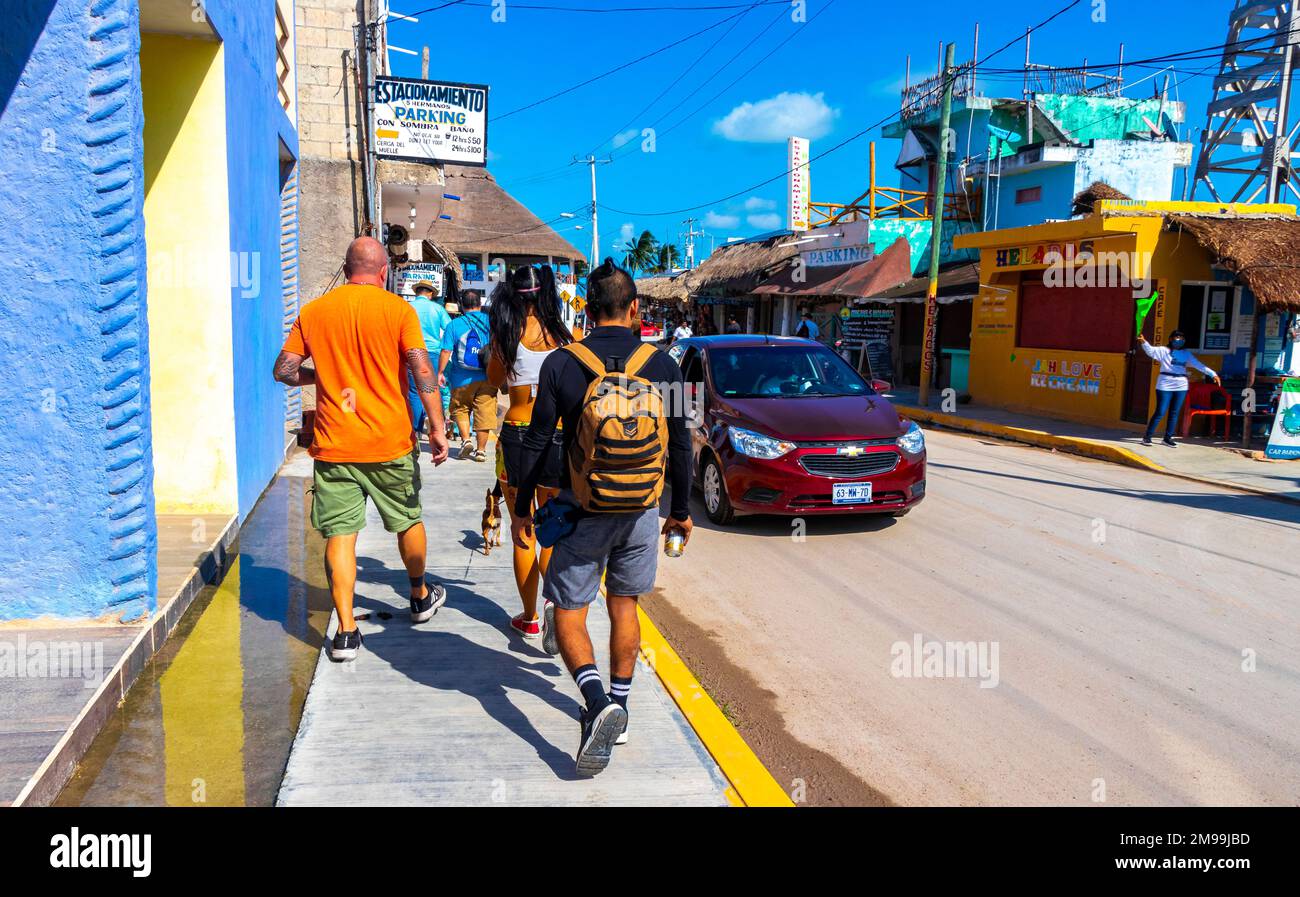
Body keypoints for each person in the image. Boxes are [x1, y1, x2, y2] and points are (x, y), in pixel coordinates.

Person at [511, 258, 693, 777]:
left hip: (584, 508)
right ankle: (622, 706)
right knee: (625, 605)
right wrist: (678, 511)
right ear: (635, 309)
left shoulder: (561, 364)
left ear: (588, 312)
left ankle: (594, 703)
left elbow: (538, 439)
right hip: (640, 510)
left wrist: (524, 506)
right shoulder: (665, 367)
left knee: (568, 609)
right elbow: (679, 442)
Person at [275, 238, 450, 662]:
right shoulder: (398, 311)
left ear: (345, 266)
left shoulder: (315, 312)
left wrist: (323, 379)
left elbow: (284, 370)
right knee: (407, 521)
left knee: (340, 536)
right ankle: (419, 595)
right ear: (385, 270)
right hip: (390, 443)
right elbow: (420, 368)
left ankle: (347, 633)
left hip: (335, 447)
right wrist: (439, 426)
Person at [487, 265, 574, 640]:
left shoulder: (508, 335)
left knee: (522, 528)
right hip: (556, 437)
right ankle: (554, 601)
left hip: (518, 437)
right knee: (551, 529)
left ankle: (529, 617)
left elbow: (493, 382)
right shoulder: (567, 337)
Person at [1138, 329, 1222, 447]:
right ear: (1171, 339)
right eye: (1177, 337)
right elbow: (1151, 351)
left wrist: (1213, 374)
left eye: (1182, 338)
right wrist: (1144, 342)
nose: (1179, 340)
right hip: (1165, 383)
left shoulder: (1186, 354)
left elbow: (1198, 365)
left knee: (1174, 412)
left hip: (1181, 385)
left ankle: (1168, 438)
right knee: (1160, 411)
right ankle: (1147, 437)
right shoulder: (1163, 350)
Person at [439, 289, 496, 462]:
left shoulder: (454, 325)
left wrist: (440, 372)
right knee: (484, 413)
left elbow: (446, 351)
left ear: (462, 306)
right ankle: (481, 451)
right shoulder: (492, 322)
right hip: (488, 376)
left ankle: (466, 440)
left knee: (461, 409)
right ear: (480, 303)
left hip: (461, 378)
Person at [407, 280, 453, 441]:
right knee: (432, 389)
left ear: (416, 292)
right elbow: (450, 328)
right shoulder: (437, 308)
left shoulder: (408, 307)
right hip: (433, 353)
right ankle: (435, 426)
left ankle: (416, 429)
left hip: (412, 352)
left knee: (414, 391)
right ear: (431, 294)